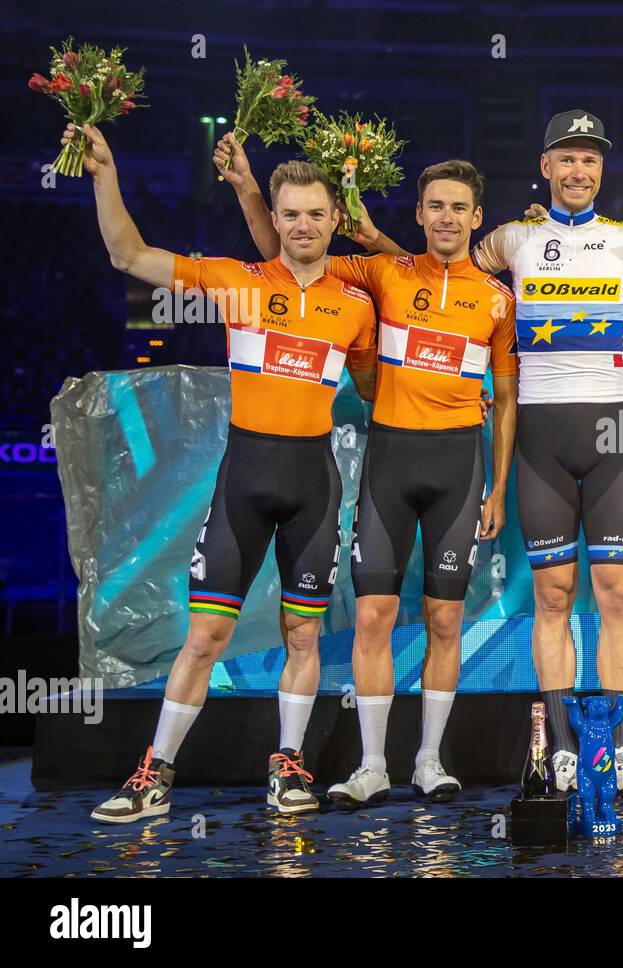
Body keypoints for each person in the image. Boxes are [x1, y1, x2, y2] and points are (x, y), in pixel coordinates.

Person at [357, 112, 623, 795]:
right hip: (539, 440)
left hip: (613, 436)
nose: (579, 170)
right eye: (567, 159)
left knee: (617, 597)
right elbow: (443, 268)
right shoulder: (512, 238)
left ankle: (610, 748)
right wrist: (373, 238)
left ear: (601, 171)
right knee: (554, 597)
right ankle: (561, 751)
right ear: (546, 167)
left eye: (590, 160)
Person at [75, 123, 378, 822]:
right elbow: (128, 255)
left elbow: (379, 393)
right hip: (242, 481)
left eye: (315, 213)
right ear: (274, 220)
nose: (303, 225)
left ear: (336, 217)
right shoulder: (236, 282)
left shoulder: (355, 308)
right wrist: (104, 171)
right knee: (204, 637)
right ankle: (153, 776)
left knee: (303, 636)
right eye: (291, 215)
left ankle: (289, 768)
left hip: (314, 488)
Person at [217, 136, 519, 806]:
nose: (445, 216)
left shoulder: (498, 301)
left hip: (460, 472)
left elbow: (507, 400)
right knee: (376, 616)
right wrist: (245, 191)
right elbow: (288, 253)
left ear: (476, 218)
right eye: (434, 205)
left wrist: (499, 485)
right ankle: (374, 765)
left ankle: (430, 761)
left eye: (459, 207)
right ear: (418, 213)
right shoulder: (383, 275)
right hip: (388, 463)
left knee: (445, 622)